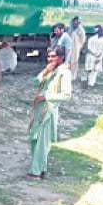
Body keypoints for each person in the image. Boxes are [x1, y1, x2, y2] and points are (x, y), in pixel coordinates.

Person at [28, 46, 73, 180]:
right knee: (34, 139)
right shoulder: (51, 70)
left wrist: (46, 97)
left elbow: (66, 95)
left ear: (60, 58)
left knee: (42, 142)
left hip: (49, 110)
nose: (50, 59)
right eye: (49, 56)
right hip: (39, 109)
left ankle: (35, 171)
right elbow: (35, 82)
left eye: (53, 56)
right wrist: (45, 71)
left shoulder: (64, 73)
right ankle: (42, 168)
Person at [68, 17, 87, 81]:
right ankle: (68, 74)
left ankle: (73, 75)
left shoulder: (81, 30)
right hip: (69, 48)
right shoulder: (70, 29)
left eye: (77, 21)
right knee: (68, 61)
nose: (76, 23)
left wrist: (78, 46)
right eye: (75, 21)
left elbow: (83, 39)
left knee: (74, 61)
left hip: (76, 48)